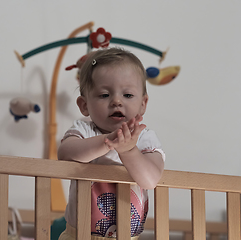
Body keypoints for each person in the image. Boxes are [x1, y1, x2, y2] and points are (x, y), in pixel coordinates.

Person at [58, 47, 165, 240]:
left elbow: (150, 180)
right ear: (84, 105)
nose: (116, 101)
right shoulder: (84, 131)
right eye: (104, 95)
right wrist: (107, 142)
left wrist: (128, 150)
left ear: (143, 103)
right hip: (77, 236)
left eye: (128, 95)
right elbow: (65, 154)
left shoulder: (144, 138)